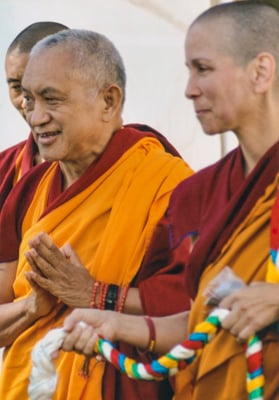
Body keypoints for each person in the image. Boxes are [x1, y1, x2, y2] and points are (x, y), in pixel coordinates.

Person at [58, 2, 279, 399]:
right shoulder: (200, 193)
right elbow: (204, 323)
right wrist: (112, 325)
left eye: (204, 69)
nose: (189, 89)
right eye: (188, 70)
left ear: (260, 71)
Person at [0, 29, 194, 400]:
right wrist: (30, 308)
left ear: (108, 100)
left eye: (51, 99)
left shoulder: (166, 184)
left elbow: (197, 307)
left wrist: (95, 295)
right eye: (27, 98)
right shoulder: (28, 190)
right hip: (31, 385)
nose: (35, 117)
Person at [0, 21, 69, 209]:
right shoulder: (5, 169)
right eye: (16, 87)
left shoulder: (127, 164)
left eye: (42, 87)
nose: (26, 102)